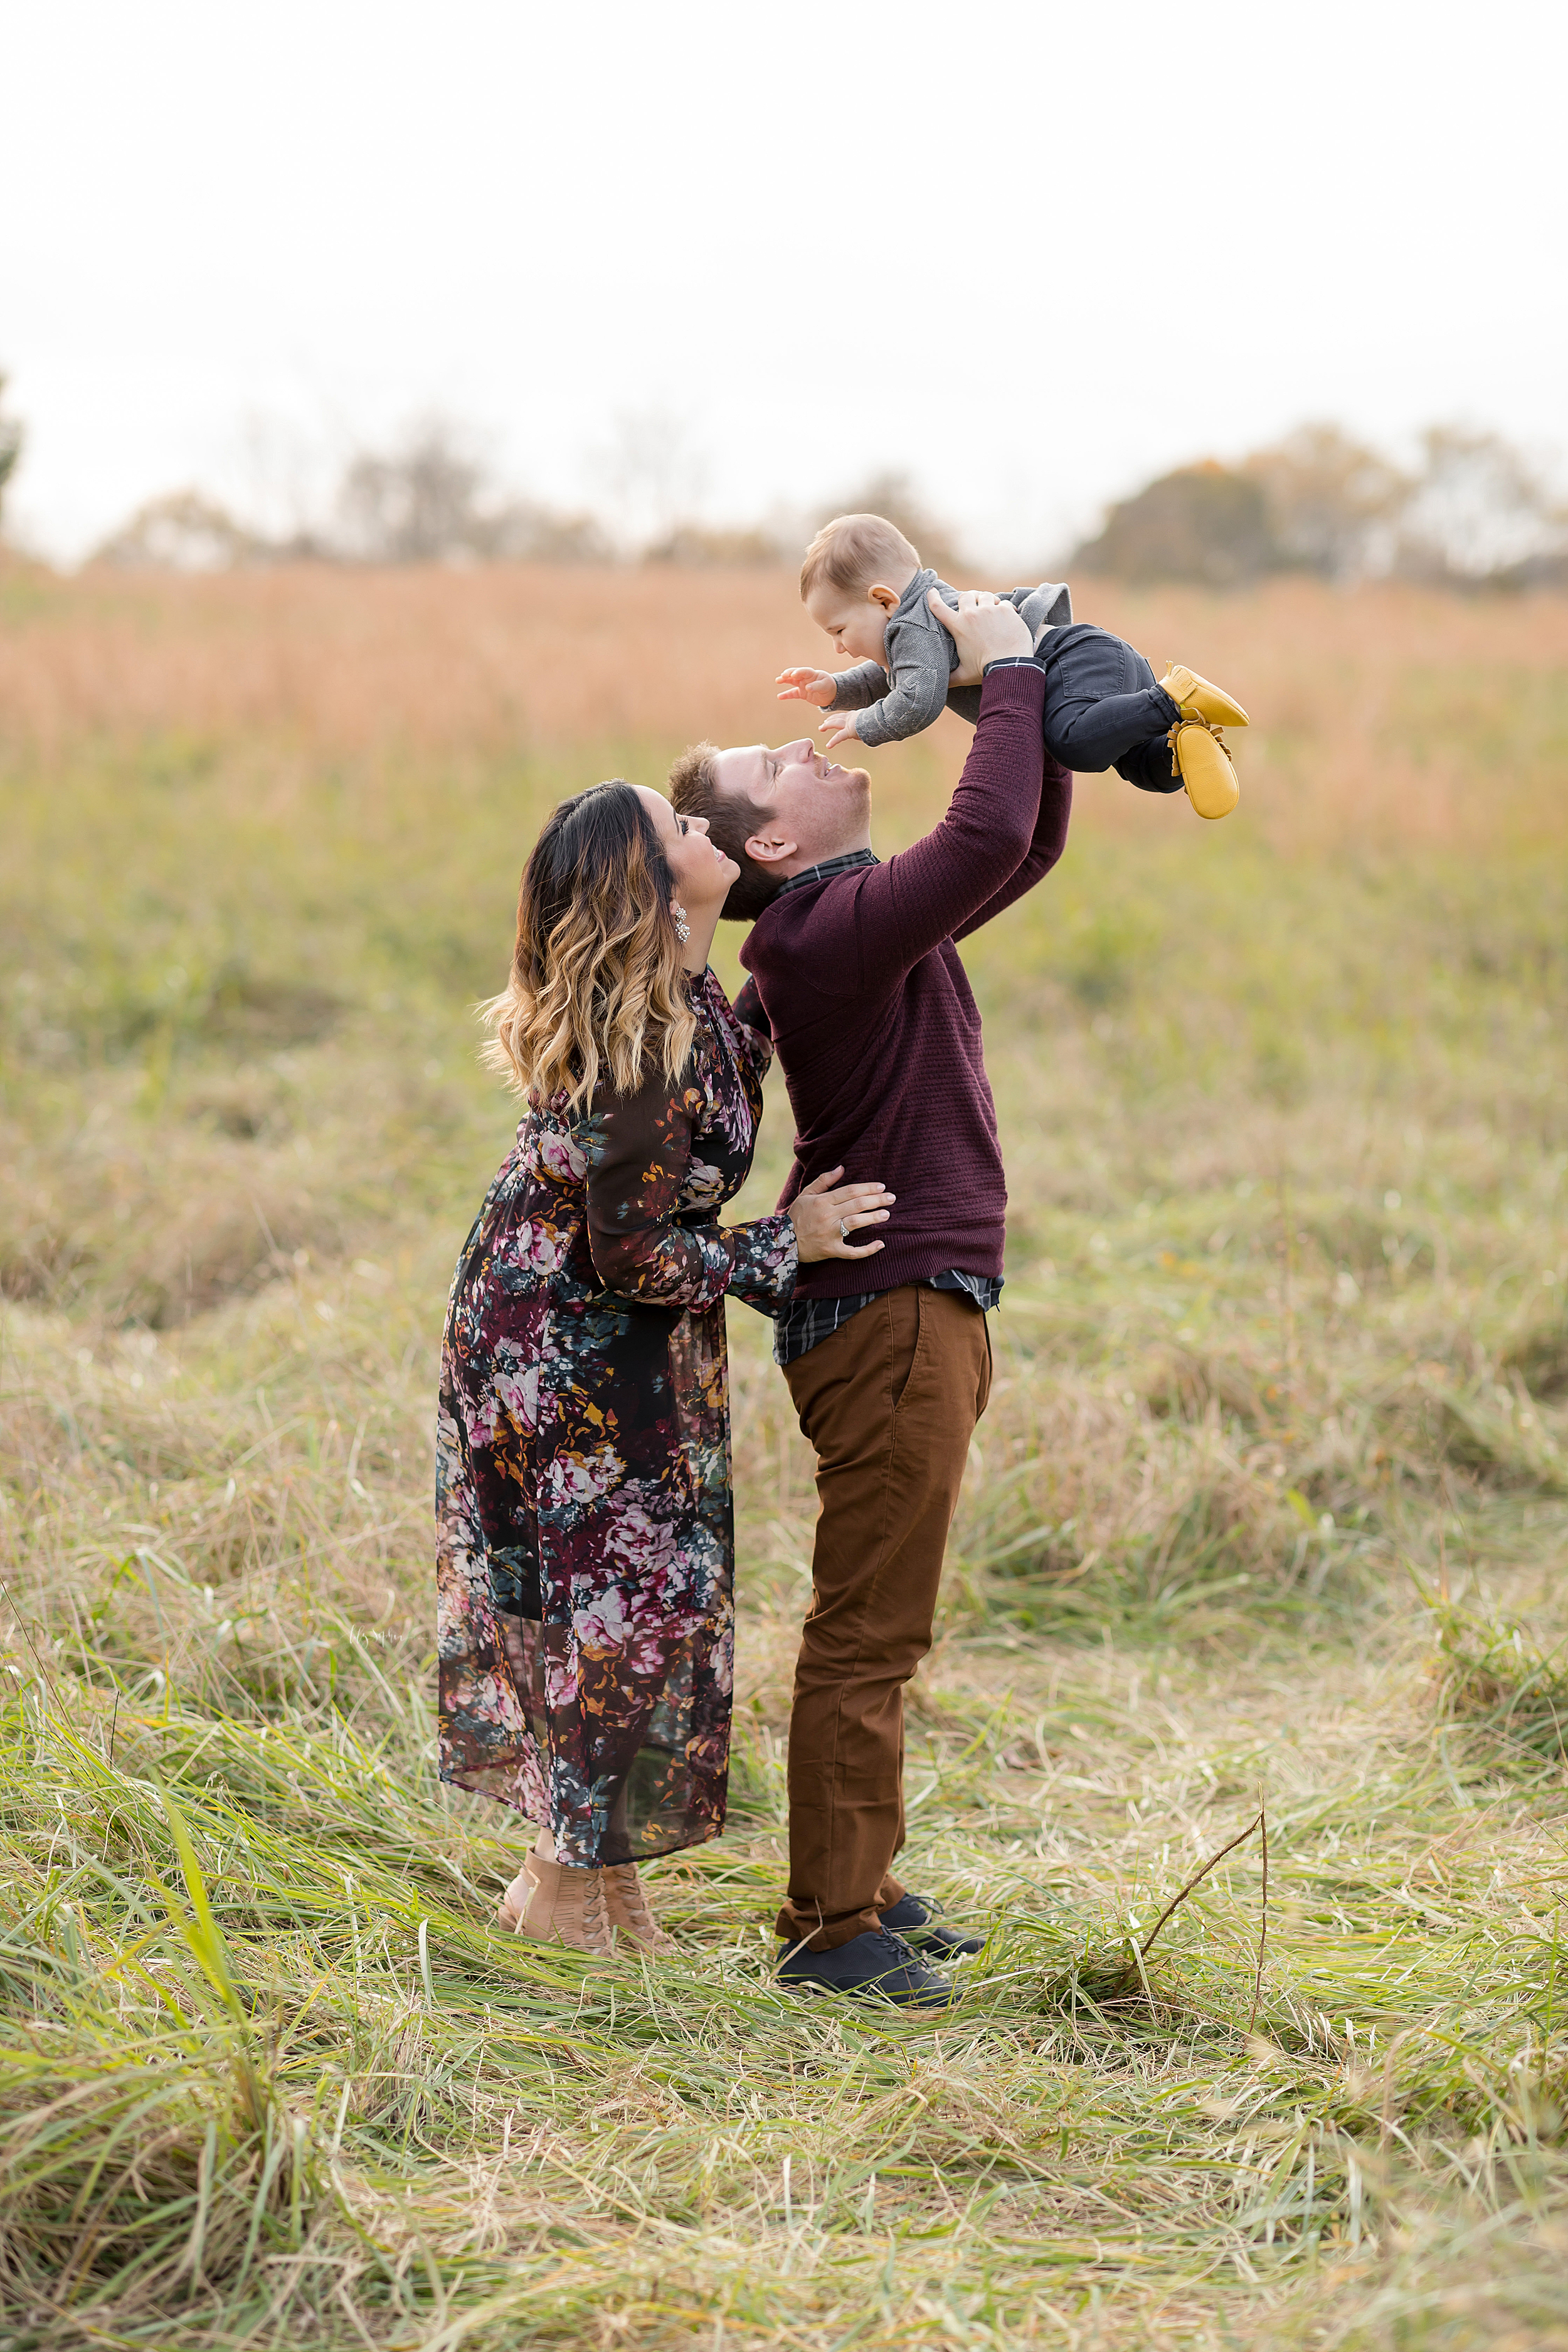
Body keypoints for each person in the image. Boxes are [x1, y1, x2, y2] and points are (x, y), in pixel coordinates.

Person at [670, 590, 1073, 2005]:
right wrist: (1007, 669)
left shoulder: (844, 917)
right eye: (777, 766)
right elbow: (973, 838)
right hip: (895, 1311)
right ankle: (830, 1931)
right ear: (769, 843)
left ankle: (867, 1886)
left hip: (911, 1299)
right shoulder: (810, 939)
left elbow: (1011, 844)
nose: (822, 744)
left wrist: (1024, 696)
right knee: (866, 1630)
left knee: (882, 1620)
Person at [435, 781, 893, 1959]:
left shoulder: (691, 998)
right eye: (683, 830)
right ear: (654, 882)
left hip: (611, 1332)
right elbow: (630, 1249)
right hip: (566, 1340)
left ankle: (598, 1895)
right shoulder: (641, 1045)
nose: (709, 831)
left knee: (637, 1605)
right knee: (618, 1610)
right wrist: (782, 1247)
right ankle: (566, 1896)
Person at [776, 510, 1248, 819]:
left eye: (838, 631)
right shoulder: (915, 631)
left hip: (1074, 662)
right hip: (1094, 667)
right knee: (1142, 766)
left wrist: (865, 723)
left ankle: (1171, 697)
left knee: (1076, 745)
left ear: (883, 600)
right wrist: (835, 689)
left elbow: (916, 700)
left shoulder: (914, 627)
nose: (839, 647)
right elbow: (892, 678)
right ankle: (1187, 743)